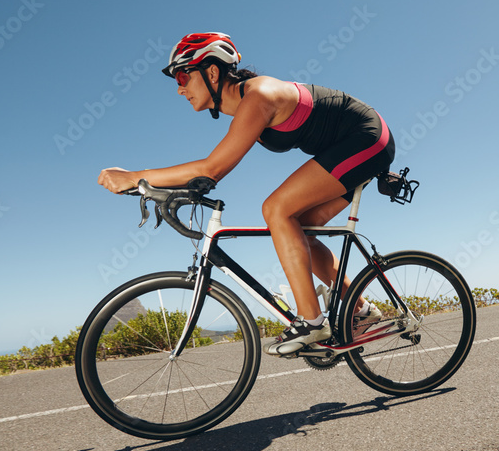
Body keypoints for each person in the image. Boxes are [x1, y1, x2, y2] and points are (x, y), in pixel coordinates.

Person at [98, 32, 394, 355]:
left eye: (183, 75)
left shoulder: (259, 96)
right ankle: (361, 310)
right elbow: (210, 171)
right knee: (299, 230)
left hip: (367, 139)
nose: (179, 88)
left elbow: (212, 168)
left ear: (212, 72)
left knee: (276, 209)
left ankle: (312, 321)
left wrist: (134, 177)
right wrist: (157, 188)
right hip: (348, 148)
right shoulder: (245, 106)